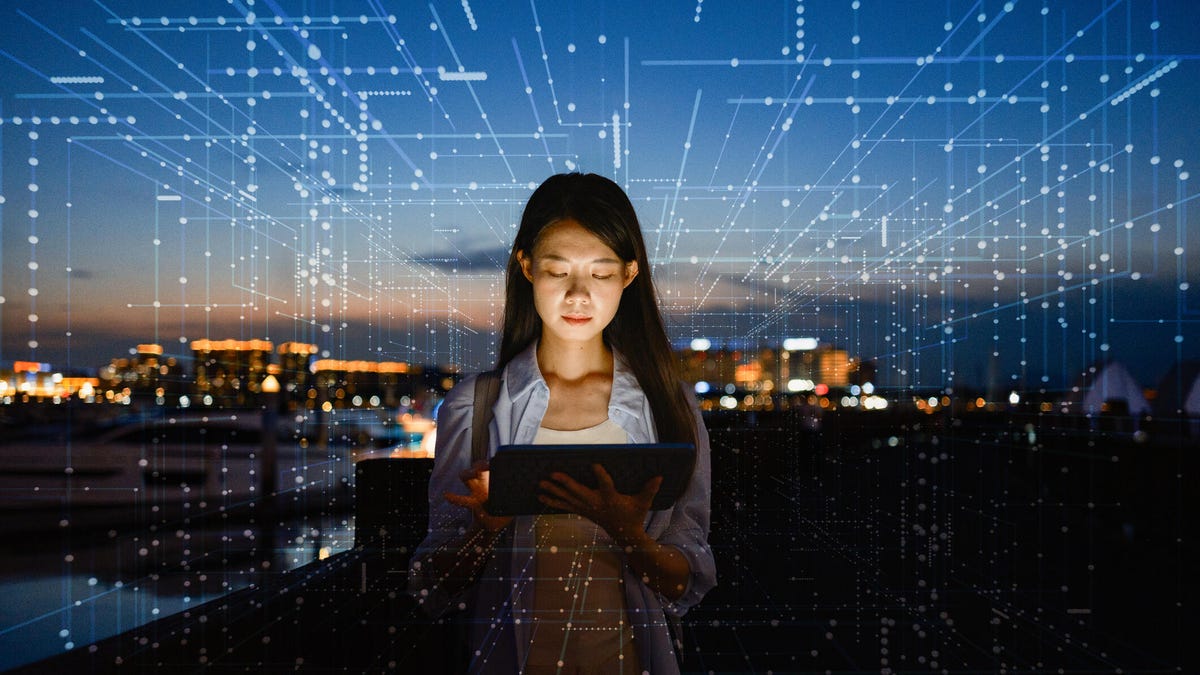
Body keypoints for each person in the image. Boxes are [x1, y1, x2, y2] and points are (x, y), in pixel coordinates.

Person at [408, 173, 715, 674]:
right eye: (557, 271)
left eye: (600, 273)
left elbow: (689, 579)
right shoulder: (475, 406)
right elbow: (432, 585)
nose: (578, 295)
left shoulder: (669, 407)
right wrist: (484, 533)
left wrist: (630, 536)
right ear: (527, 267)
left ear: (629, 274)